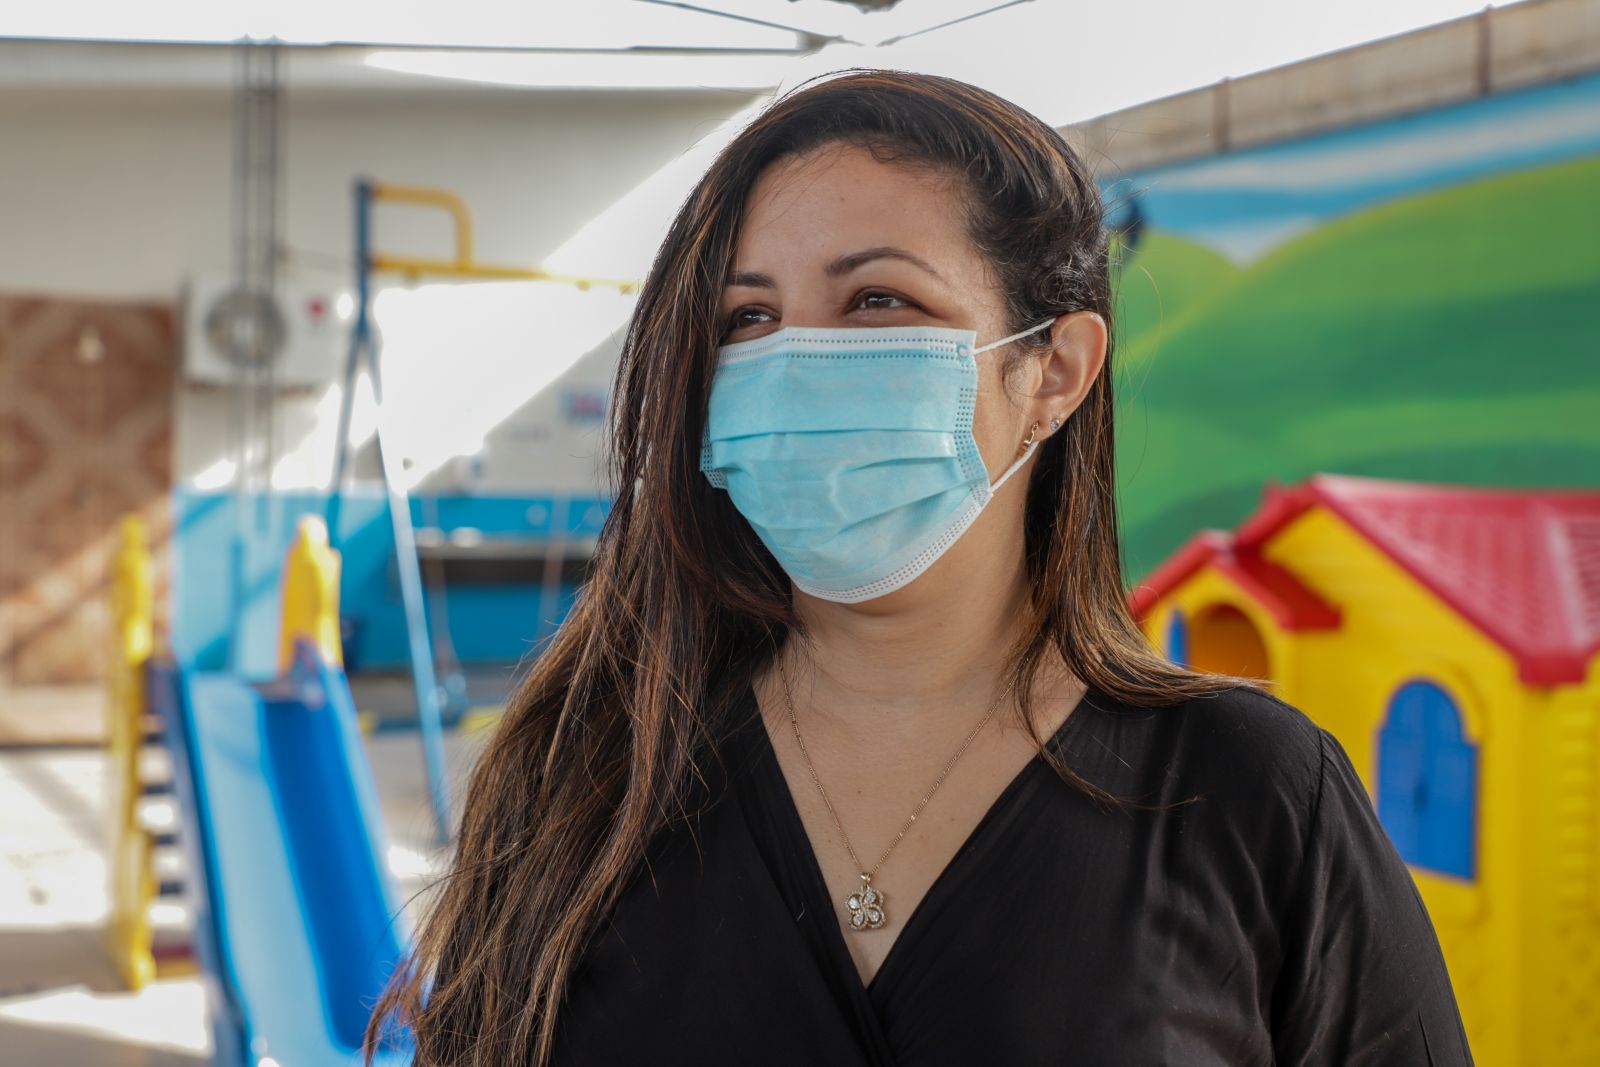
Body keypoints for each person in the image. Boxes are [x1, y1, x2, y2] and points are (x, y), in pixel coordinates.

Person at [368, 69, 1473, 1066]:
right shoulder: (591, 771)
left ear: (1054, 371)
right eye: (749, 316)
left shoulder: (1247, 791)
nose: (794, 360)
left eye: (876, 300)